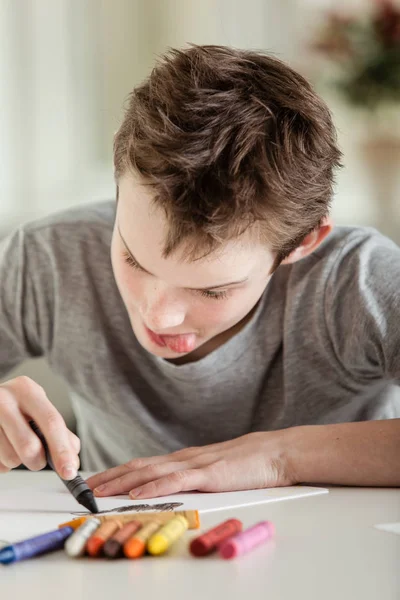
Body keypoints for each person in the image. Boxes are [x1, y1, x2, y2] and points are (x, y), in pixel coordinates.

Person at [0, 45, 399, 500]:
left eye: (212, 290)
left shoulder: (356, 282)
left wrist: (281, 457)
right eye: (133, 259)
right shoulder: (49, 258)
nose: (159, 315)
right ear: (117, 185)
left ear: (302, 242)